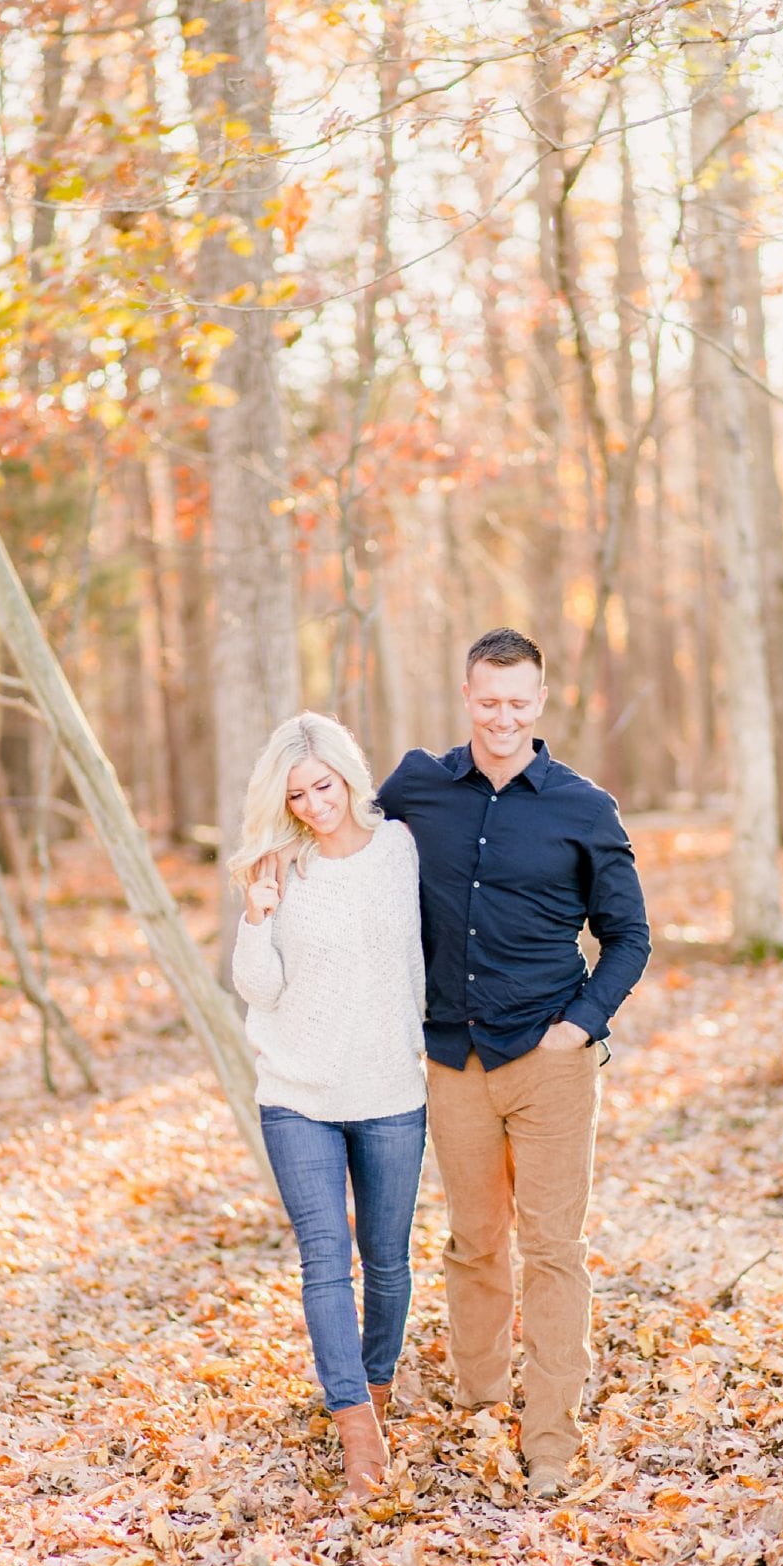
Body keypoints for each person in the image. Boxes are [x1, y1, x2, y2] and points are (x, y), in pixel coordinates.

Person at [376, 627, 650, 1501]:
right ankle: (481, 1398)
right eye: (487, 701)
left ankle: (550, 1443)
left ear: (540, 702)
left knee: (552, 1248)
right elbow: (348, 856)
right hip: (451, 1057)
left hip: (549, 1058)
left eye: (517, 702)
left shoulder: (582, 806)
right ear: (467, 698)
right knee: (472, 1242)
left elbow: (628, 935)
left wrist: (580, 1024)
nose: (502, 717)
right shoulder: (417, 787)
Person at [229, 712, 427, 1501]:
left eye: (323, 786)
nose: (314, 805)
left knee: (386, 1261)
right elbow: (259, 988)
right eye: (298, 795)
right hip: (296, 1092)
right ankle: (356, 1433)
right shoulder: (280, 865)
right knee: (325, 1260)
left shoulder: (401, 851)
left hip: (387, 1088)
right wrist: (258, 913)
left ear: (348, 775)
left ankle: (373, 1387)